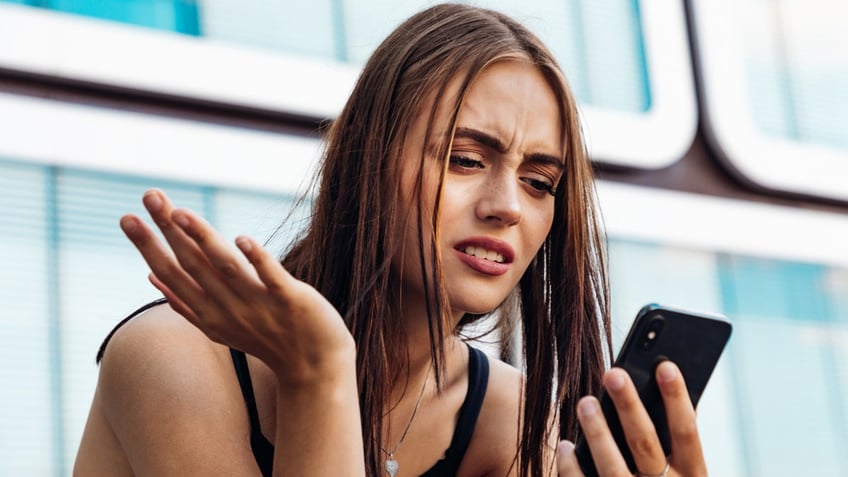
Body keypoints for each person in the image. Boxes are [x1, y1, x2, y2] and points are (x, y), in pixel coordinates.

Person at [74, 3, 709, 477]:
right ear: (365, 162)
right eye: (464, 160)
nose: (507, 207)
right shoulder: (173, 359)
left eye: (540, 181)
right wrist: (318, 370)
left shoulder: (506, 421)